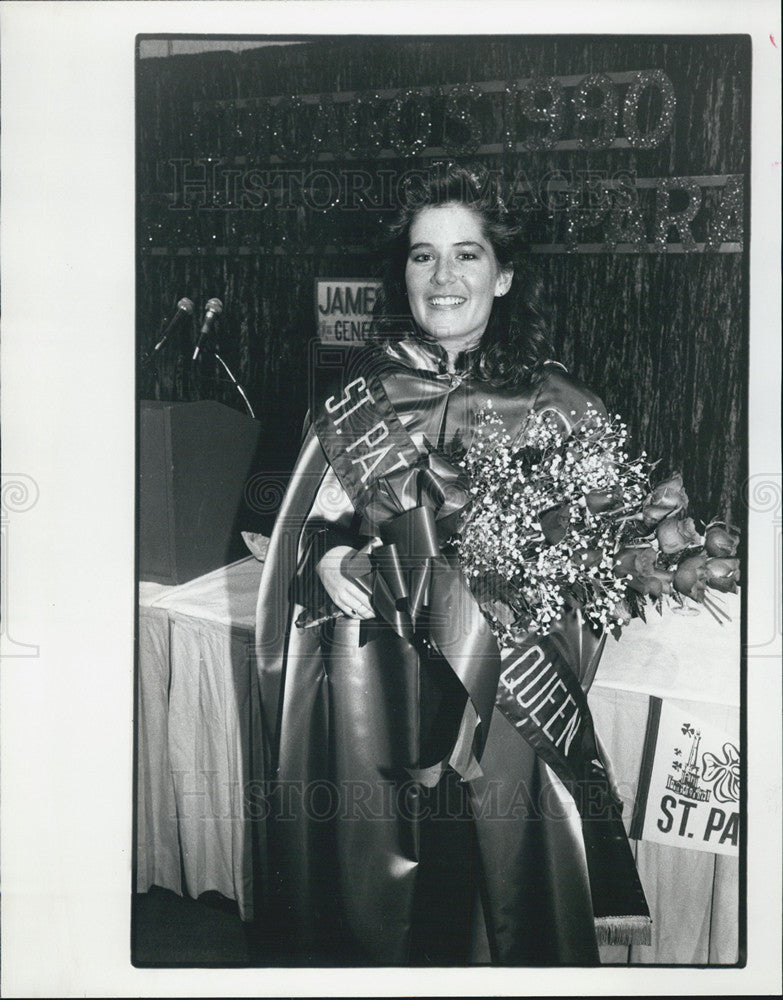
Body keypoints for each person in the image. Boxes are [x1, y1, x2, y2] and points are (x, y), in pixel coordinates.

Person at [254, 163, 649, 965]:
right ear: (400, 272)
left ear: (503, 276)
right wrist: (326, 562)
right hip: (379, 697)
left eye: (466, 255)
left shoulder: (561, 406)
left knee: (492, 908)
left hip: (503, 709)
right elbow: (306, 536)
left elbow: (597, 579)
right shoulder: (356, 400)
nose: (442, 278)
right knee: (386, 915)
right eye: (422, 255)